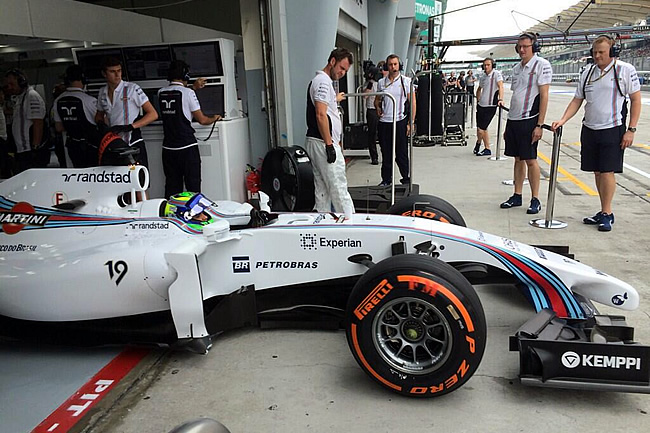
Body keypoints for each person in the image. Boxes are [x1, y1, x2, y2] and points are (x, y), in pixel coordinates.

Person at [551, 35, 641, 232]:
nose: (598, 56)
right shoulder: (588, 72)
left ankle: (607, 213)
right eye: (595, 52)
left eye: (602, 52)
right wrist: (563, 119)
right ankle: (602, 210)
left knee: (607, 171)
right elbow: (577, 100)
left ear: (612, 52)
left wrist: (631, 129)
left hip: (613, 128)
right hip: (590, 128)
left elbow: (635, 100)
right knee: (598, 172)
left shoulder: (625, 70)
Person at [500, 33, 552, 215]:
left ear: (534, 47)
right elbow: (516, 95)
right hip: (514, 119)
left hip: (530, 119)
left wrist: (539, 124)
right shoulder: (516, 68)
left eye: (526, 46)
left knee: (530, 159)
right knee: (517, 158)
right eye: (519, 46)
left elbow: (544, 95)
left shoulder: (542, 65)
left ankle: (535, 198)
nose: (522, 50)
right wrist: (508, 124)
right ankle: (517, 194)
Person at [158, 60, 221, 198]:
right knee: (193, 187)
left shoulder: (161, 92)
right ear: (185, 76)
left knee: (172, 186)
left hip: (168, 148)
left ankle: (172, 215)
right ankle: (195, 215)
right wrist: (215, 118)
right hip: (187, 147)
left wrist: (193, 88)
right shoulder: (188, 93)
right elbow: (202, 120)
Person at [304, 47, 355, 219]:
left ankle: (323, 222)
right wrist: (329, 145)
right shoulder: (323, 82)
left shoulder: (321, 82)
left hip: (317, 141)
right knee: (338, 187)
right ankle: (351, 225)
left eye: (345, 71)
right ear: (332, 61)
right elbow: (320, 114)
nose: (342, 72)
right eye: (341, 68)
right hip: (322, 142)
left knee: (322, 188)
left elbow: (325, 108)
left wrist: (336, 99)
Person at [95, 56, 158, 168]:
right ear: (104, 74)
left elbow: (153, 114)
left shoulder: (132, 88)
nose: (117, 74)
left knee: (138, 181)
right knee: (118, 181)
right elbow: (99, 115)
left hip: (133, 142)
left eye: (119, 71)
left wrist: (131, 126)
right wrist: (101, 125)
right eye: (112, 71)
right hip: (114, 143)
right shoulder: (102, 92)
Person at [375, 54, 415, 187]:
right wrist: (378, 107)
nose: (393, 67)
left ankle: (406, 177)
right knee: (386, 153)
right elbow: (377, 99)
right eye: (391, 65)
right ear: (387, 66)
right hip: (384, 123)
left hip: (400, 121)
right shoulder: (381, 82)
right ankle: (386, 180)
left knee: (401, 153)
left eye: (395, 64)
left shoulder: (406, 81)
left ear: (399, 65)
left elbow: (413, 102)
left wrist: (411, 122)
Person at [53, 65, 99, 167]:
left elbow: (59, 127)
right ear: (83, 79)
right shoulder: (90, 101)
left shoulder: (58, 101)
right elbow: (102, 123)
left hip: (73, 147)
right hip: (91, 147)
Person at [4, 69, 46, 173]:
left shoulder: (31, 96)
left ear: (22, 82)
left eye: (12, 84)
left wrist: (35, 147)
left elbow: (38, 122)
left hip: (29, 150)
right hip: (22, 149)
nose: (9, 87)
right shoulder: (20, 98)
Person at [474, 58, 503, 156]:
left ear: (492, 65)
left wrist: (500, 99)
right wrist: (478, 100)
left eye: (488, 65)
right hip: (481, 105)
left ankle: (487, 148)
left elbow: (500, 86)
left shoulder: (496, 74)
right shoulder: (483, 77)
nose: (486, 67)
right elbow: (479, 89)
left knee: (483, 128)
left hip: (490, 106)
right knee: (480, 128)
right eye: (484, 65)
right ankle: (479, 143)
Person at [363, 66, 380, 165]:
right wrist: (369, 85)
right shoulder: (369, 83)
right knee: (372, 134)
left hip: (378, 109)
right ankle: (374, 157)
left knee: (381, 134)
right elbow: (365, 96)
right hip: (371, 110)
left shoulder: (379, 83)